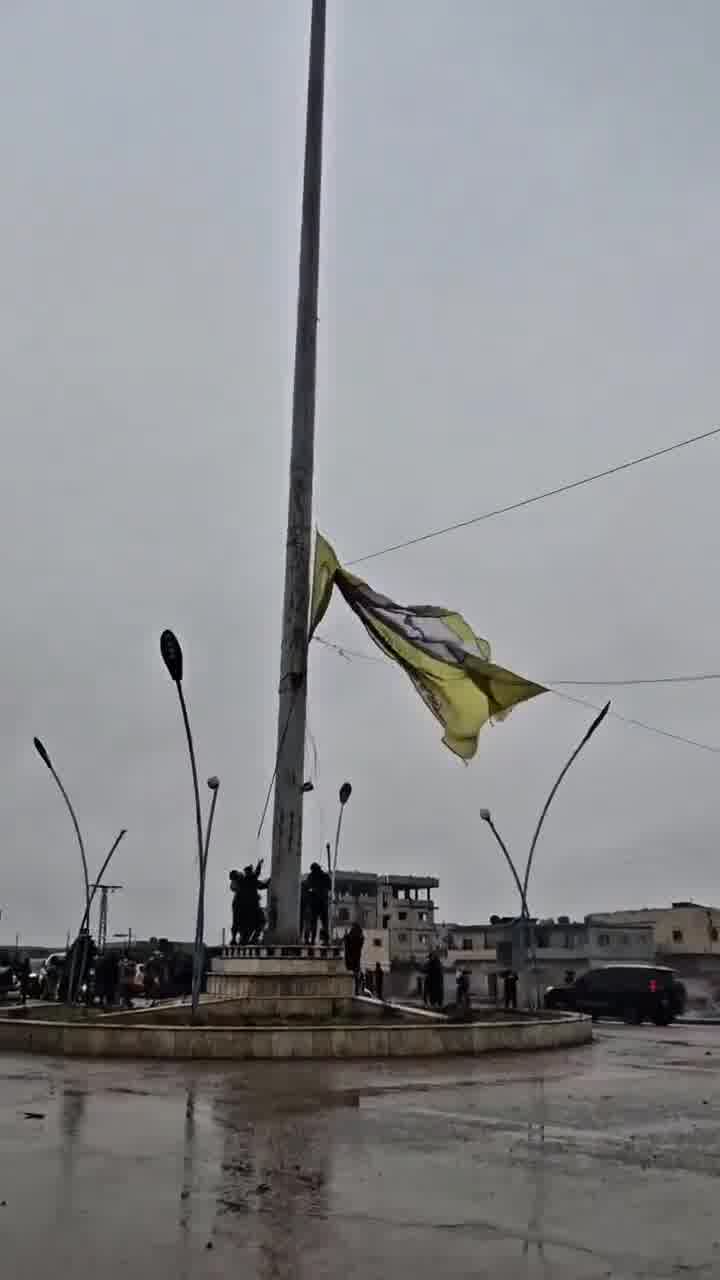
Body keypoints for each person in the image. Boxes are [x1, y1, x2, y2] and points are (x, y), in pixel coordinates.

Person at [306, 862, 331, 944]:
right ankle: (325, 940)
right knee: (324, 923)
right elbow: (330, 887)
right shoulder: (325, 876)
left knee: (314, 922)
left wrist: (313, 890)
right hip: (323, 902)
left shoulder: (311, 876)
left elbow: (308, 886)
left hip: (315, 902)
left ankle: (313, 940)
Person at [343, 922, 364, 993]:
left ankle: (355, 990)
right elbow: (361, 941)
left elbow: (347, 943)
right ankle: (355, 990)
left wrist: (346, 936)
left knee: (354, 974)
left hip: (352, 959)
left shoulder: (352, 935)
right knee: (355, 974)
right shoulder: (358, 935)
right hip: (355, 959)